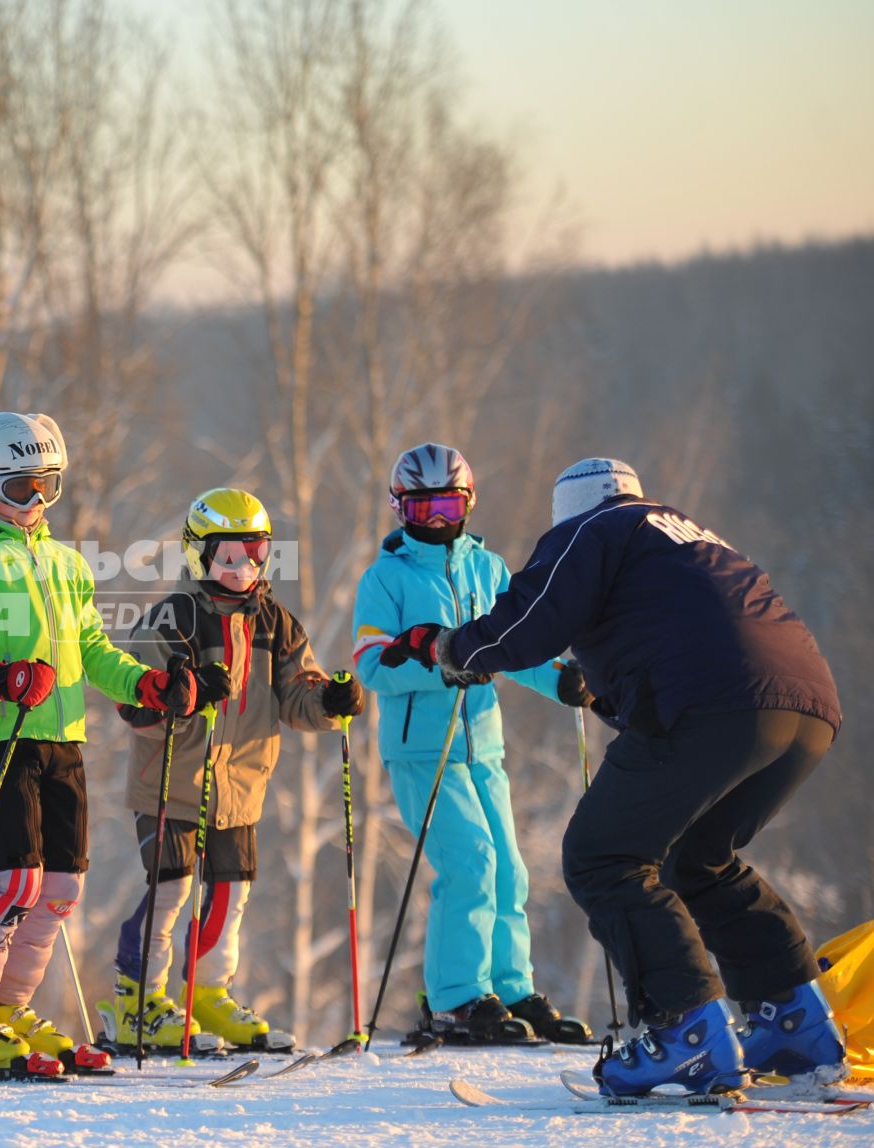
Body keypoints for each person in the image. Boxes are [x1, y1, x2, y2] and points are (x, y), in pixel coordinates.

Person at [376, 457, 847, 1096]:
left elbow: (524, 626)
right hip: (806, 707)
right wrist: (602, 695)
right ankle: (794, 1024)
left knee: (603, 856)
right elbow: (680, 629)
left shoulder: (588, 531)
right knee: (699, 859)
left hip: (709, 704)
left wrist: (447, 648)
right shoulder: (682, 529)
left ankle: (684, 1034)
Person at [0, 411, 203, 1074]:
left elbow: (93, 649)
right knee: (16, 876)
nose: (39, 502)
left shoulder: (64, 562)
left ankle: (8, 1008)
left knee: (60, 886)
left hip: (61, 738)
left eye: (50, 485)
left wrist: (146, 684)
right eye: (22, 488)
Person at [101, 489, 360, 1052]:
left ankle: (207, 994)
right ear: (199, 554)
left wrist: (331, 703)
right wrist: (185, 694)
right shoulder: (174, 619)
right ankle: (137, 1001)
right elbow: (134, 704)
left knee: (231, 893)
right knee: (172, 888)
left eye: (256, 552)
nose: (244, 568)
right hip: (174, 782)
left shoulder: (276, 622)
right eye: (229, 556)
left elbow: (298, 695)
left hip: (241, 785)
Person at [350, 443, 591, 1044]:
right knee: (471, 864)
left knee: (509, 870)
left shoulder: (489, 570)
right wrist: (438, 661)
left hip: (483, 748)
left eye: (448, 503)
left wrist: (560, 679)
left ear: (468, 503)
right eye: (423, 505)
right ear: (400, 507)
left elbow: (515, 646)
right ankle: (457, 998)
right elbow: (371, 664)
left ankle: (510, 991)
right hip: (422, 753)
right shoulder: (386, 578)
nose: (436, 518)